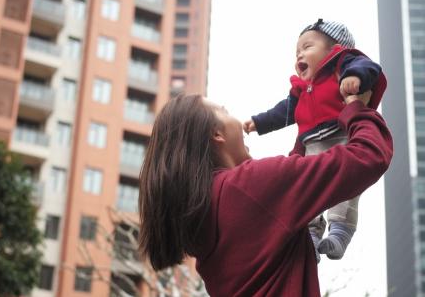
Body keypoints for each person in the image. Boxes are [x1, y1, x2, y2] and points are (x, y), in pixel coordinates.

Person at [138, 91, 392, 296]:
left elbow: (281, 199)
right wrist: (356, 107)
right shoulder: (248, 186)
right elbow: (368, 156)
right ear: (216, 134)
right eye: (225, 111)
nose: (236, 120)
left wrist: (309, 129)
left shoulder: (208, 209)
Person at [243, 19, 387, 261]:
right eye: (297, 51)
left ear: (333, 49)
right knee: (306, 187)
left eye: (307, 47)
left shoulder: (343, 63)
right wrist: (259, 122)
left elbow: (370, 67)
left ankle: (340, 232)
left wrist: (354, 77)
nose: (300, 54)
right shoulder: (302, 88)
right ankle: (311, 233)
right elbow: (285, 111)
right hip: (312, 144)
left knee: (346, 184)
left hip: (342, 135)